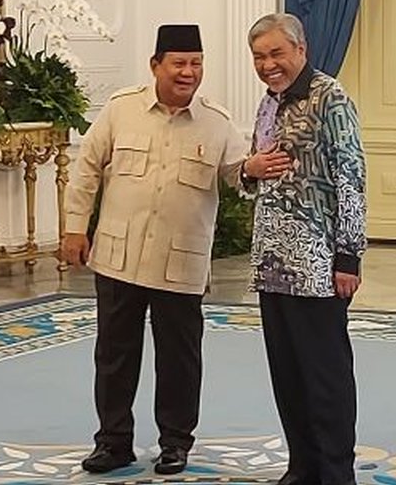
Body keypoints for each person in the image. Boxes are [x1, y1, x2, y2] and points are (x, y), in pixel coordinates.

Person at [60, 24, 251, 476]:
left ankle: (176, 443)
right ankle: (113, 442)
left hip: (179, 262)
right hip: (117, 257)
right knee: (114, 354)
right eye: (179, 63)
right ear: (156, 65)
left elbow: (237, 177)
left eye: (197, 63)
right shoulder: (121, 109)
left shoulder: (218, 121)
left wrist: (253, 170)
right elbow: (86, 169)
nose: (189, 72)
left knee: (179, 358)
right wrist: (74, 228)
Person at [241, 13, 367, 485]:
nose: (268, 64)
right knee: (288, 374)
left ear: (301, 50)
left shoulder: (330, 98)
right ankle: (303, 464)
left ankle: (336, 471)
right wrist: (248, 170)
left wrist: (348, 255)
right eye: (259, 56)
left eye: (276, 53)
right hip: (272, 263)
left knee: (325, 376)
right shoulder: (268, 103)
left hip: (317, 265)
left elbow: (351, 178)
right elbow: (261, 174)